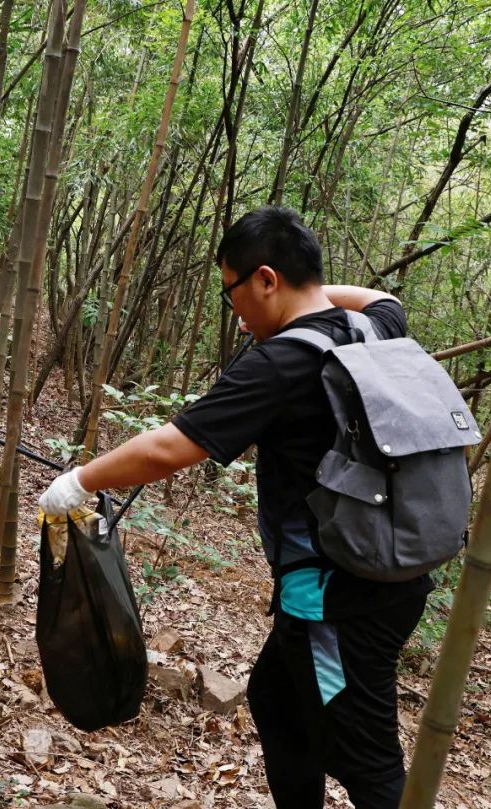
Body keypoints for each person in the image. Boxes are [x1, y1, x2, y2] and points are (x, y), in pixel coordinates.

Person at [39, 206, 432, 809]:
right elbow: (379, 296)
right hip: (385, 580)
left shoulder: (280, 362)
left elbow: (171, 447)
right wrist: (308, 302)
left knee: (365, 758)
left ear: (267, 280)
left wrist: (78, 481)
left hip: (334, 602)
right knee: (276, 702)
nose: (238, 314)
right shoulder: (370, 331)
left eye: (233, 293)